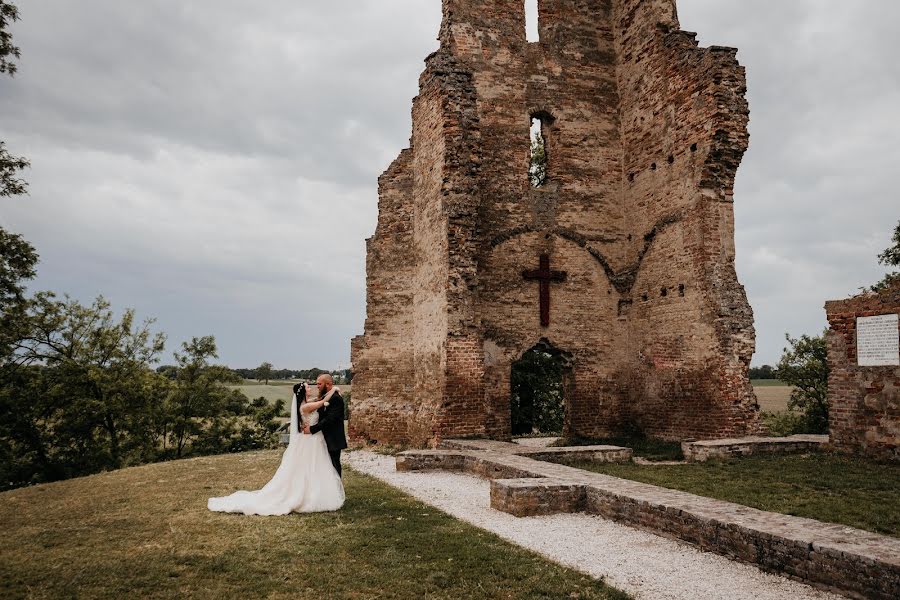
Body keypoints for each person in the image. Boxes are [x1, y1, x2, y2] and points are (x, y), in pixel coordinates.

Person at [207, 382, 344, 515]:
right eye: (308, 387)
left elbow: (319, 400)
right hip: (309, 440)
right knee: (308, 467)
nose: (311, 388)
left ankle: (316, 493)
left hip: (313, 440)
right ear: (303, 392)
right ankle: (307, 495)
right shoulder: (305, 407)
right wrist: (334, 389)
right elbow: (323, 401)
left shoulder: (306, 404)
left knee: (314, 467)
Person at [303, 374, 348, 477]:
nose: (317, 386)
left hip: (333, 438)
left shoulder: (336, 398)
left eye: (319, 384)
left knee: (334, 465)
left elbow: (330, 419)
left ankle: (337, 490)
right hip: (322, 437)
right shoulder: (324, 397)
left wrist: (312, 429)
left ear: (328, 384)